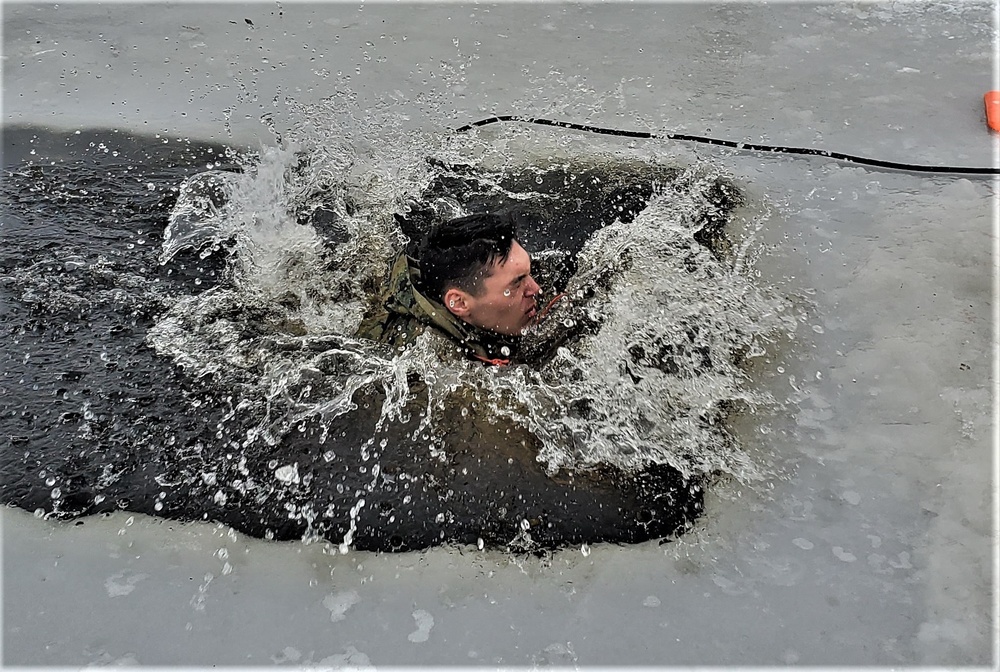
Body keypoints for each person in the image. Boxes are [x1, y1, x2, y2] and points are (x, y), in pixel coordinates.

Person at [356, 211, 555, 365]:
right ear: (459, 303)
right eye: (517, 283)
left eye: (528, 274)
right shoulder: (430, 363)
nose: (536, 290)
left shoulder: (499, 279)